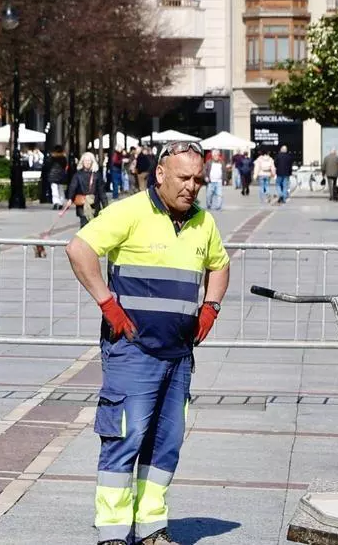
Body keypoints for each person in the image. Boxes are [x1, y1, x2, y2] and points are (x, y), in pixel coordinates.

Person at [65, 139, 231, 545]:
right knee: (125, 438)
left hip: (178, 353)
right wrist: (107, 303)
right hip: (133, 350)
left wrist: (210, 307)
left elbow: (221, 265)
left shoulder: (203, 222)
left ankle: (153, 528)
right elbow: (79, 249)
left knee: (165, 446)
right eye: (183, 178)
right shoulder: (130, 212)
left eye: (198, 179)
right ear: (160, 174)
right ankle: (113, 533)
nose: (192, 187)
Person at [66, 152, 106, 227]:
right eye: (85, 160)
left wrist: (105, 206)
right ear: (82, 162)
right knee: (84, 224)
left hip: (94, 204)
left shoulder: (97, 175)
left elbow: (101, 191)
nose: (87, 162)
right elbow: (72, 187)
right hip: (82, 204)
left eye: (89, 160)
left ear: (92, 162)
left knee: (94, 226)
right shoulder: (77, 175)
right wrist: (70, 199)